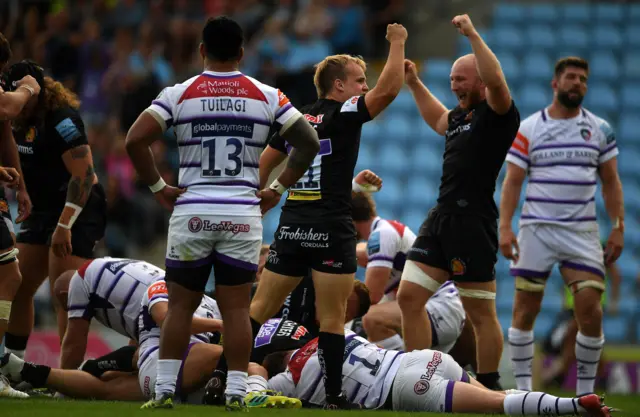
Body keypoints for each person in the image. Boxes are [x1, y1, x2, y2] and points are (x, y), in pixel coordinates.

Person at [125, 16, 319, 410]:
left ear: (201, 51)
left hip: (192, 211)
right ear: (242, 53)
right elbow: (309, 142)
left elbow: (134, 140)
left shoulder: (179, 93)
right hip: (242, 214)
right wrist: (278, 188)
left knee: (180, 306)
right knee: (235, 309)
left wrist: (160, 188)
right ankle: (234, 391)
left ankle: (163, 391)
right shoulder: (268, 95)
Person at [249, 23, 407, 409]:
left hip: (291, 227)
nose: (365, 87)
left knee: (257, 310)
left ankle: (224, 374)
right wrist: (398, 43)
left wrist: (262, 197)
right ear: (339, 87)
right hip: (330, 230)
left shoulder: (298, 119)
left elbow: (264, 164)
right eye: (359, 80)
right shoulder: (344, 112)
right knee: (333, 317)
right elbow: (388, 91)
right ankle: (335, 395)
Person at [396, 14, 519, 390]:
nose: (454, 85)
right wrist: (415, 83)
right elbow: (437, 119)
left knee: (480, 313)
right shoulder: (460, 117)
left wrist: (471, 35)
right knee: (408, 297)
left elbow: (497, 79)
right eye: (451, 80)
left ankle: (489, 384)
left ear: (479, 81)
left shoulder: (498, 114)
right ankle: (420, 379)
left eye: (461, 79)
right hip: (441, 218)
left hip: (473, 223)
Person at [500, 56, 624, 396]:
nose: (578, 84)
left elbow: (611, 182)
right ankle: (524, 393)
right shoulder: (530, 127)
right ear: (555, 83)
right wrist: (505, 227)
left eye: (583, 79)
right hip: (536, 229)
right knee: (525, 310)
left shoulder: (600, 129)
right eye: (571, 77)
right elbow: (512, 181)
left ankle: (585, 393)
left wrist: (617, 226)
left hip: (581, 231)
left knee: (590, 309)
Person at [2, 60, 107, 361]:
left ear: (37, 92)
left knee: (65, 292)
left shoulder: (61, 119)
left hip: (78, 207)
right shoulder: (13, 118)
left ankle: (67, 376)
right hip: (42, 207)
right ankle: (14, 366)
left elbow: (84, 175)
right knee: (18, 283)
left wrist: (64, 226)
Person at [265, 330, 613, 416]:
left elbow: (257, 397)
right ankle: (566, 403)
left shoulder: (288, 377)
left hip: (404, 386)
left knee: (495, 405)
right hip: (421, 359)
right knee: (498, 399)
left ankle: (573, 406)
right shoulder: (337, 333)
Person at [351, 192, 475, 368]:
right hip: (441, 307)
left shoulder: (381, 235)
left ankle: (401, 372)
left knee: (371, 318)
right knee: (369, 330)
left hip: (439, 306)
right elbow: (362, 253)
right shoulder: (383, 232)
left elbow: (371, 296)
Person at [0, 33, 39, 399]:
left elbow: (4, 131)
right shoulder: (15, 96)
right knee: (10, 276)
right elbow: (6, 110)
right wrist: (28, 89)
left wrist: (19, 185)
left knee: (11, 276)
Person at [53, 258, 165, 369]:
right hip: (168, 295)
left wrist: (63, 380)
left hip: (158, 303)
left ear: (64, 295)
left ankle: (90, 368)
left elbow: (74, 344)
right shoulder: (110, 266)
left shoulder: (79, 279)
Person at [541, 245, 620, 389]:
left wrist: (614, 301)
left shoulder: (598, 250)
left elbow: (615, 275)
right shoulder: (569, 251)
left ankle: (560, 374)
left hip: (592, 304)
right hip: (571, 308)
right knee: (586, 340)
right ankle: (602, 378)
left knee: (578, 339)